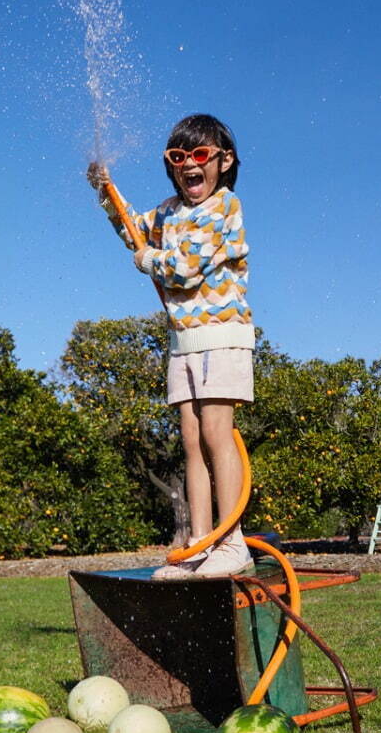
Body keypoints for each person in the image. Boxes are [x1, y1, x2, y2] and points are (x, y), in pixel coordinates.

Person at [87, 114, 255, 579]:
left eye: (200, 155)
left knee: (217, 434)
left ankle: (232, 541)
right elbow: (132, 231)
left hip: (222, 334)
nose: (190, 165)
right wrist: (106, 192)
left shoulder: (225, 206)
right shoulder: (167, 212)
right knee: (191, 442)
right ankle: (201, 544)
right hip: (183, 342)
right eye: (179, 157)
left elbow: (183, 267)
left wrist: (148, 259)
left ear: (224, 160)